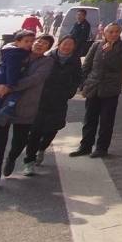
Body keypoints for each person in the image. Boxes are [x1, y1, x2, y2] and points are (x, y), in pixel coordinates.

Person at [0, 33, 53, 190]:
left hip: (26, 107)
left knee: (20, 141)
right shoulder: (17, 54)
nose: (39, 44)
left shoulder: (47, 62)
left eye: (45, 44)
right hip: (5, 106)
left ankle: (12, 157)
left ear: (48, 49)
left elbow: (34, 80)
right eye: (38, 41)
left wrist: (9, 87)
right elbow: (1, 72)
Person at [22, 35, 83, 175]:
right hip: (41, 100)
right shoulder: (48, 58)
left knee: (52, 129)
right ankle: (29, 161)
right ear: (59, 44)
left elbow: (77, 78)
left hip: (59, 101)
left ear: (73, 47)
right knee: (35, 131)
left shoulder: (75, 61)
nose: (67, 47)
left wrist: (70, 92)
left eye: (70, 44)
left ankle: (42, 148)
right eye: (65, 43)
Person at [72, 22, 122, 158]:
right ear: (104, 33)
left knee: (106, 121)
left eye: (116, 32)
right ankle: (85, 146)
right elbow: (87, 65)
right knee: (89, 119)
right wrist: (83, 84)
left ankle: (102, 148)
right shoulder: (96, 45)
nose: (114, 34)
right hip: (93, 87)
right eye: (111, 32)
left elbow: (119, 66)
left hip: (110, 89)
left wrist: (110, 53)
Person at [0, 30, 33, 127]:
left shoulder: (11, 50)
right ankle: (7, 110)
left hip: (1, 77)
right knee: (13, 94)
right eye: (26, 41)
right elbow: (12, 70)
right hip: (7, 79)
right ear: (17, 42)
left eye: (31, 41)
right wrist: (11, 85)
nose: (30, 44)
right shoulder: (16, 54)